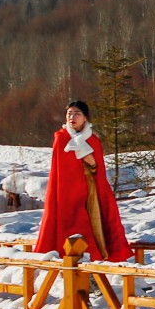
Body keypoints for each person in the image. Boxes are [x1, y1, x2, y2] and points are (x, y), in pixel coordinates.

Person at [32, 100, 133, 261]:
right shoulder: (62, 138)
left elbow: (98, 171)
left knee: (93, 222)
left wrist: (91, 162)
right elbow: (60, 170)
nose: (72, 117)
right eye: (69, 114)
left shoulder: (93, 140)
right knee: (71, 223)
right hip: (67, 192)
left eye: (77, 114)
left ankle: (96, 257)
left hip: (89, 190)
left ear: (85, 117)